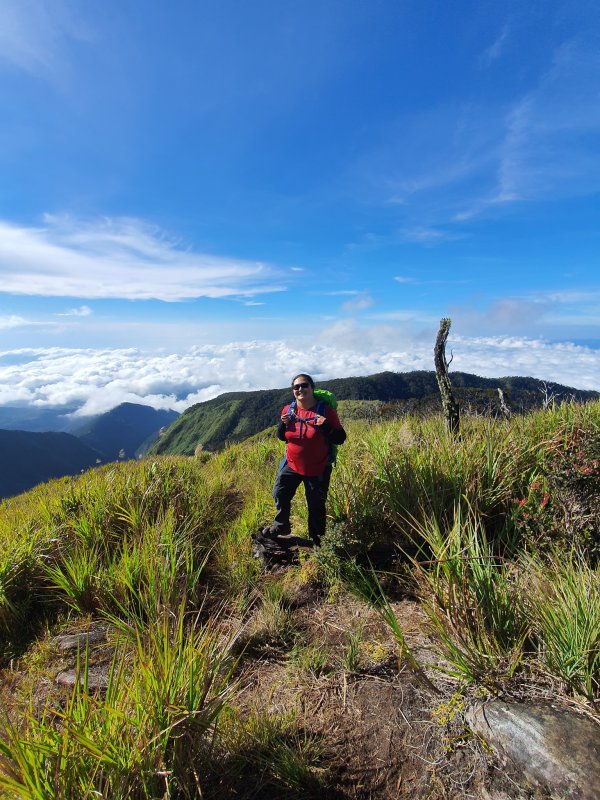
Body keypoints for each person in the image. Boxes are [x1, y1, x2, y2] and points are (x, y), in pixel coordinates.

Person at [265, 373, 346, 547]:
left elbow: (340, 438)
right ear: (293, 391)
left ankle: (318, 544)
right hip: (292, 464)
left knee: (316, 506)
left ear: (312, 388)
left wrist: (325, 425)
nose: (300, 389)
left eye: (304, 385)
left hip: (317, 467)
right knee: (279, 493)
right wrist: (282, 424)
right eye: (296, 387)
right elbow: (282, 437)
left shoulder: (325, 411)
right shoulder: (288, 410)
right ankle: (281, 526)